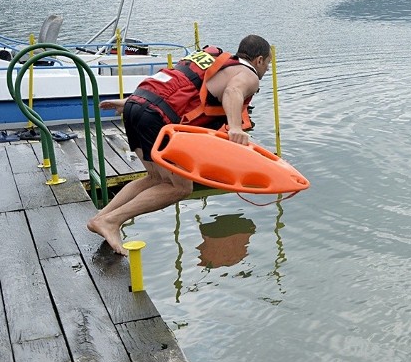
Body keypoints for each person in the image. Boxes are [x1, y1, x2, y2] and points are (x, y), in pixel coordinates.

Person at [87, 34, 272, 255]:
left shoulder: (215, 62)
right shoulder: (248, 74)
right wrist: (235, 127)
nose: (267, 69)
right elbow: (233, 92)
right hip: (156, 117)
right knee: (181, 188)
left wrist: (130, 102)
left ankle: (100, 218)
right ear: (259, 60)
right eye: (268, 64)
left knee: (155, 178)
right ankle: (112, 221)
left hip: (137, 104)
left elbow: (178, 85)